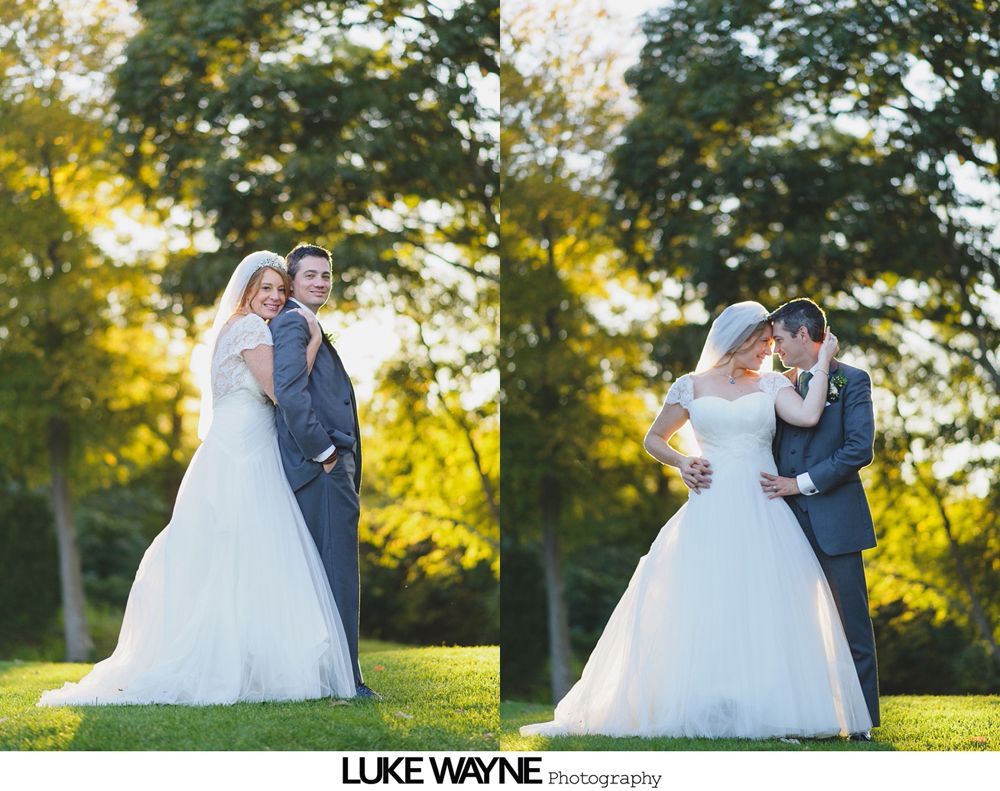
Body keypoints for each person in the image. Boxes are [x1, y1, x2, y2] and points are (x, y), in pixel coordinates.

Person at [520, 301, 872, 739]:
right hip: (711, 506)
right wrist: (683, 462)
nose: (769, 351)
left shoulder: (771, 385)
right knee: (706, 603)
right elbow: (654, 438)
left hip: (764, 508)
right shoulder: (689, 386)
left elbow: (809, 415)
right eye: (763, 343)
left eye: (772, 342)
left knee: (766, 604)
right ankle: (709, 702)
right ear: (739, 340)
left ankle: (771, 704)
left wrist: (821, 364)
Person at [39, 252, 355, 706]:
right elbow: (280, 390)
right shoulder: (250, 329)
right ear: (247, 290)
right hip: (245, 453)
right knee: (250, 553)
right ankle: (242, 664)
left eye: (280, 290)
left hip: (230, 446)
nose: (274, 297)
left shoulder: (233, 327)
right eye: (266, 288)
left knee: (230, 557)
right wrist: (313, 341)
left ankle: (244, 659)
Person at [764, 298, 880, 739]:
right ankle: (800, 717)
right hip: (781, 523)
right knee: (792, 623)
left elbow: (858, 449)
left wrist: (800, 484)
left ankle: (862, 723)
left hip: (836, 521)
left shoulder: (852, 380)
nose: (775, 348)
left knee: (852, 624)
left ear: (803, 334)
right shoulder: (776, 386)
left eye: (779, 339)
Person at [269, 243, 376, 698]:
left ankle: (328, 676)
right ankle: (346, 681)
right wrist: (326, 453)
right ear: (291, 282)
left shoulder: (304, 321)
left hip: (326, 468)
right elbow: (289, 394)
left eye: (326, 275)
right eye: (310, 275)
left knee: (325, 574)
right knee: (337, 575)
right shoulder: (293, 322)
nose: (320, 282)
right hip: (322, 470)